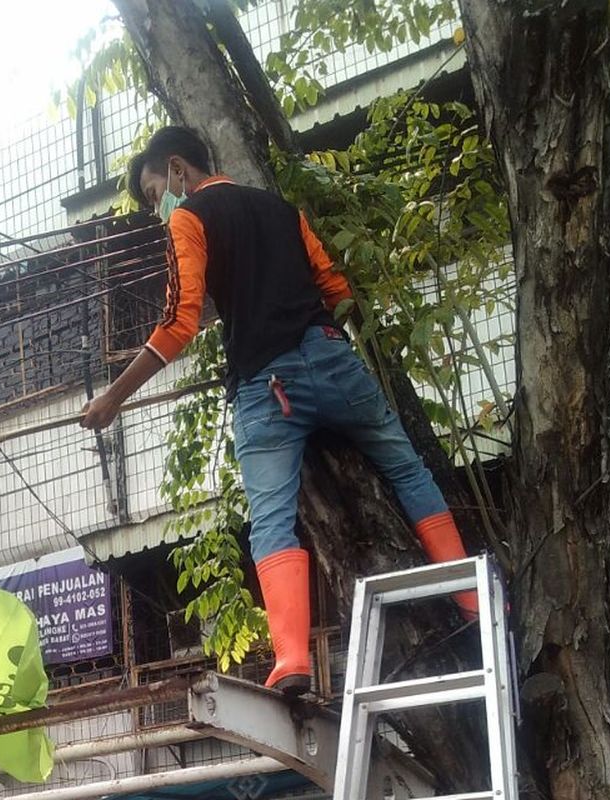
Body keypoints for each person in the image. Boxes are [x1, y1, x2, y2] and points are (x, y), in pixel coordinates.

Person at [80, 126, 475, 695]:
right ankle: (469, 602)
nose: (155, 208)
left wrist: (114, 398)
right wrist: (346, 352)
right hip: (335, 361)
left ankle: (292, 659)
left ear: (177, 171)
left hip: (269, 389)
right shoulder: (281, 208)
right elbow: (336, 287)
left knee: (270, 519)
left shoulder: (187, 219)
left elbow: (179, 323)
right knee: (409, 470)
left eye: (152, 193)